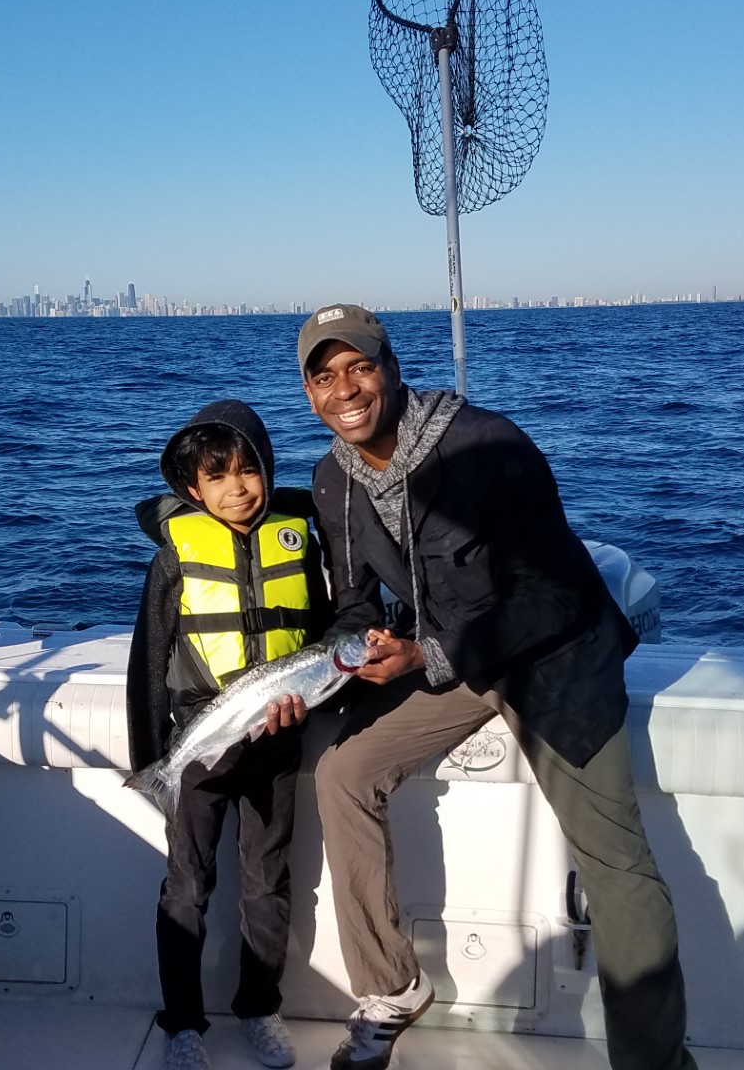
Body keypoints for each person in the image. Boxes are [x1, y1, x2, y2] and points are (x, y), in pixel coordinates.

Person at [287, 304, 698, 1070]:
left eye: (360, 366)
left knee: (615, 865)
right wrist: (359, 652)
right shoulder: (330, 482)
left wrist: (424, 654)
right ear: (308, 392)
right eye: (324, 374)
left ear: (392, 369)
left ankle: (656, 1063)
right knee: (344, 772)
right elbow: (352, 604)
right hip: (454, 660)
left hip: (557, 659)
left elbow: (552, 596)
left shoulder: (488, 443)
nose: (344, 388)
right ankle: (392, 988)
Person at [126, 399, 333, 1070]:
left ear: (267, 469)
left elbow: (325, 641)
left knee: (267, 882)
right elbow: (148, 662)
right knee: (187, 885)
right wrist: (151, 758)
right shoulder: (174, 560)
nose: (237, 488)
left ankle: (259, 1007)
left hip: (275, 745)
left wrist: (310, 707)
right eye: (218, 478)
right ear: (192, 490)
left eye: (248, 471)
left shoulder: (300, 543)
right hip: (198, 749)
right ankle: (183, 1024)